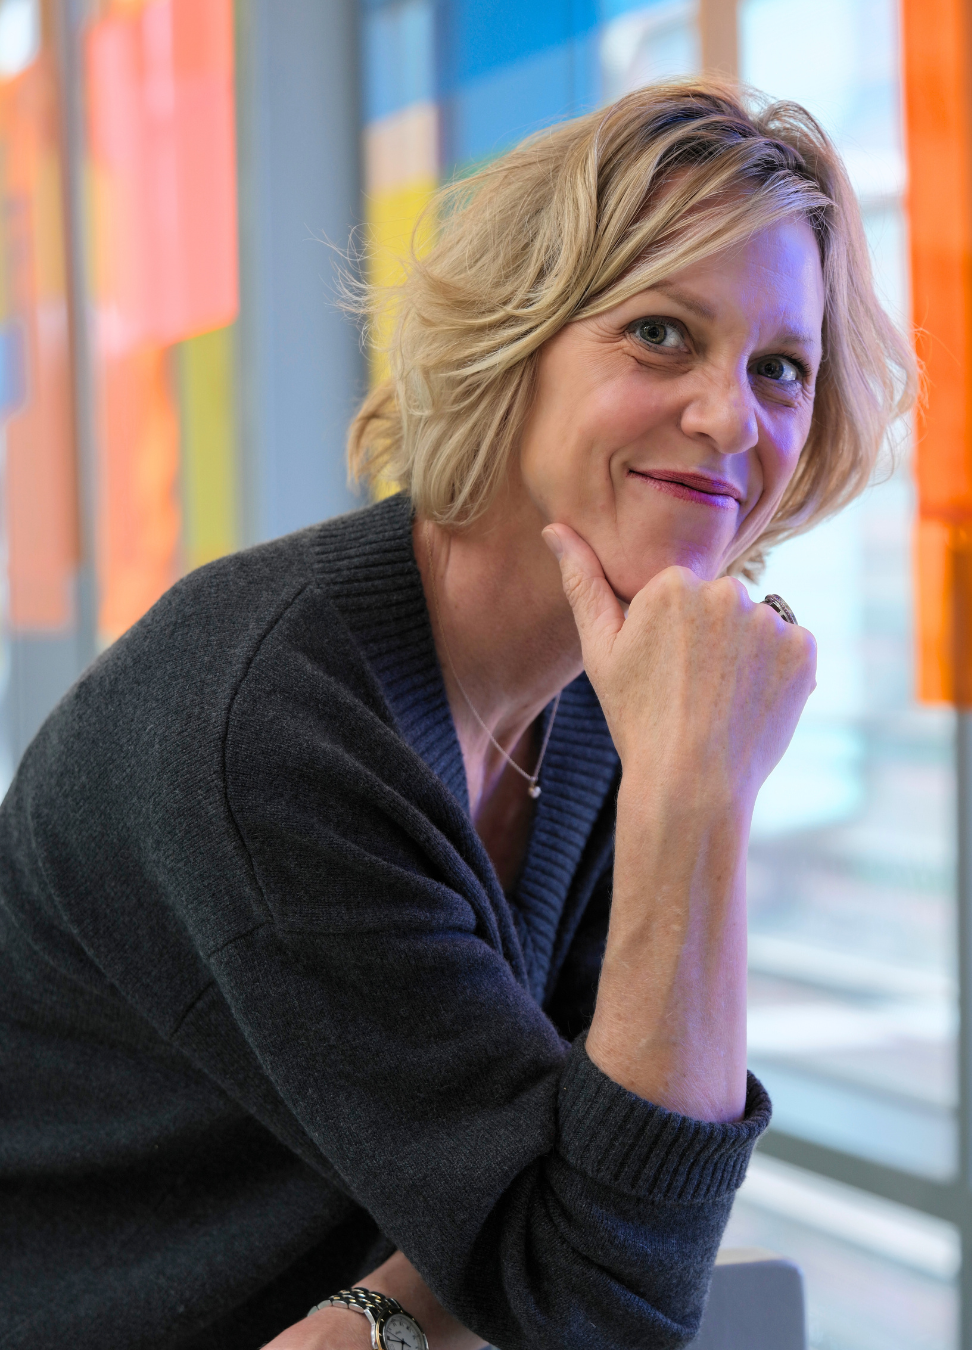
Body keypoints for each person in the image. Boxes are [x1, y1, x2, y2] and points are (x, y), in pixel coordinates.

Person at [0, 80, 914, 1350]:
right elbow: (600, 1301)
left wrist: (388, 1310)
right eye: (660, 333)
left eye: (781, 367)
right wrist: (693, 800)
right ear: (514, 342)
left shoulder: (604, 691)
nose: (729, 418)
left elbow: (586, 1200)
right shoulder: (266, 724)